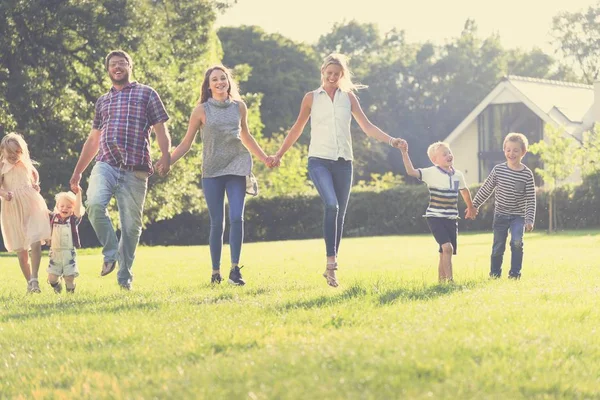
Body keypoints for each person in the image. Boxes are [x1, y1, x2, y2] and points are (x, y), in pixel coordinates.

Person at [270, 53, 404, 287]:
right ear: (322, 72)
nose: (332, 77)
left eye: (336, 74)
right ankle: (332, 263)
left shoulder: (349, 98)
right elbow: (297, 128)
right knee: (331, 205)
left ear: (342, 75)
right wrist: (279, 154)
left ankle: (330, 268)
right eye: (328, 73)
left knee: (340, 214)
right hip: (319, 161)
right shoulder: (311, 98)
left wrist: (392, 141)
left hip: (344, 162)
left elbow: (367, 126)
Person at [161, 65, 274, 286]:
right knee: (217, 223)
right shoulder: (201, 110)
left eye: (223, 78)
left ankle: (235, 270)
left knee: (236, 217)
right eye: (215, 79)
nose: (220, 82)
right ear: (208, 84)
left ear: (229, 82)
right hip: (212, 170)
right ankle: (215, 272)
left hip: (237, 165)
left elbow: (247, 136)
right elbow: (186, 143)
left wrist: (265, 158)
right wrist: (168, 161)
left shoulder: (239, 107)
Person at [69, 50, 171, 290]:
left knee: (131, 227)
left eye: (121, 63)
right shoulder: (103, 101)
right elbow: (93, 140)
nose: (117, 67)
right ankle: (111, 251)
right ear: (108, 70)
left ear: (129, 67)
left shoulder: (147, 93)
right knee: (94, 204)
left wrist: (166, 156)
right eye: (113, 64)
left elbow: (160, 130)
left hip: (136, 169)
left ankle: (124, 277)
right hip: (106, 164)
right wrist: (77, 171)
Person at [398, 140, 476, 282]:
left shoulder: (457, 175)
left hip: (451, 219)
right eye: (444, 154)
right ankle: (451, 281)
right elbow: (411, 171)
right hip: (435, 217)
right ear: (435, 160)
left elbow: (464, 192)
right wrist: (404, 153)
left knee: (444, 252)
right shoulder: (431, 172)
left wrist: (470, 207)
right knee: (447, 248)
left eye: (449, 153)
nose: (449, 155)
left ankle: (441, 282)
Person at [472, 132, 536, 279]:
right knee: (498, 247)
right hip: (500, 215)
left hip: (518, 217)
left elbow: (531, 199)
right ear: (504, 151)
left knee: (517, 242)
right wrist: (474, 205)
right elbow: (486, 188)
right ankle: (494, 274)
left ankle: (515, 274)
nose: (511, 153)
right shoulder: (498, 170)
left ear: (523, 152)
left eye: (515, 150)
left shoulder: (527, 174)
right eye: (508, 150)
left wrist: (529, 219)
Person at [0, 132, 52, 293]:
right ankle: (30, 282)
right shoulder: (2, 166)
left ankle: (35, 278)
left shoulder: (26, 163)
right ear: (3, 150)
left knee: (36, 240)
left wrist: (36, 185)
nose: (14, 156)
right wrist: (3, 194)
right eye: (10, 153)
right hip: (13, 206)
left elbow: (34, 176)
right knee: (21, 250)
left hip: (31, 203)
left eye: (17, 152)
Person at [47, 189, 85, 293]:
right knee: (52, 278)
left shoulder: (73, 219)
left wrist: (78, 193)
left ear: (73, 209)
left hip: (68, 253)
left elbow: (78, 209)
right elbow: (41, 209)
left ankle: (70, 294)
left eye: (69, 207)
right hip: (55, 253)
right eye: (62, 206)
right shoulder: (52, 217)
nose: (65, 208)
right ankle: (57, 285)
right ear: (57, 207)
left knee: (69, 278)